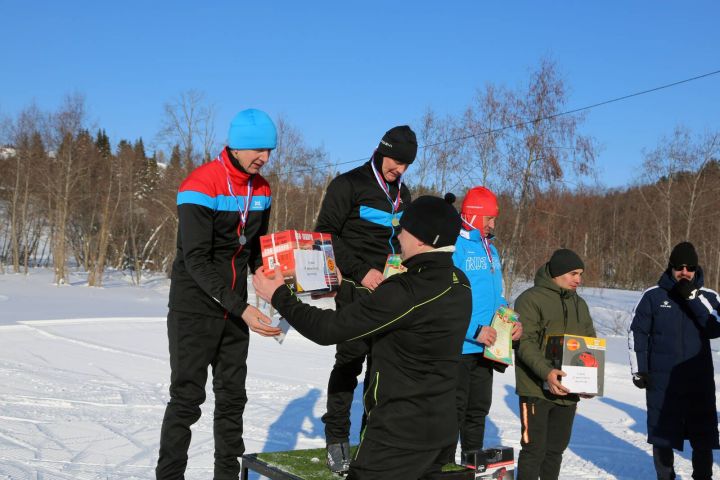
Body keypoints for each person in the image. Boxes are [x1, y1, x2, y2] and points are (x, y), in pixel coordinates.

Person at [253, 195, 471, 480]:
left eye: (403, 229)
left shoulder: (407, 289)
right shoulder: (458, 283)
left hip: (398, 438)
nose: (398, 236)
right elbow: (400, 312)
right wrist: (343, 290)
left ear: (421, 238)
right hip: (439, 430)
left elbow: (327, 329)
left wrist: (279, 295)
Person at [156, 109, 282, 480]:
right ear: (238, 146)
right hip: (195, 307)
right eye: (259, 149)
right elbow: (195, 260)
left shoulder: (261, 189)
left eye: (270, 150)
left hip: (234, 309)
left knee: (232, 401)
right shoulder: (200, 184)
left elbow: (256, 249)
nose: (265, 157)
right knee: (187, 399)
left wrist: (274, 277)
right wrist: (241, 308)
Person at [314, 125, 416, 472]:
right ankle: (337, 437)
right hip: (356, 289)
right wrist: (360, 270)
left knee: (383, 367)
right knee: (351, 360)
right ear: (381, 150)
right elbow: (324, 232)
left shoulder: (405, 195)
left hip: (391, 292)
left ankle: (371, 438)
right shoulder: (349, 184)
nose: (399, 169)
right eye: (396, 161)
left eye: (406, 164)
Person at [628, 241, 720, 480]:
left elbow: (716, 327)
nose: (684, 272)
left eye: (690, 267)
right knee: (663, 435)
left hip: (699, 382)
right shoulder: (653, 296)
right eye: (679, 266)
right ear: (670, 267)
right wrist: (640, 370)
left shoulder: (708, 296)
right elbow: (636, 332)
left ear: (696, 268)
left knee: (703, 436)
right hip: (663, 382)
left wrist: (692, 297)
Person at [513, 249, 596, 480]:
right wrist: (547, 373)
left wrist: (589, 382)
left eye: (580, 274)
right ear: (557, 273)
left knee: (555, 451)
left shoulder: (581, 305)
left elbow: (589, 346)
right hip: (535, 389)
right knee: (534, 450)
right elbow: (524, 343)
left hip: (568, 391)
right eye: (573, 274)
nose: (578, 279)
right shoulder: (530, 299)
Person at [452, 186, 522, 457]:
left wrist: (510, 320)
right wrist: (474, 331)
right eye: (489, 219)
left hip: (487, 348)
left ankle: (472, 466)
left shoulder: (490, 250)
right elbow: (447, 300)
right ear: (473, 215)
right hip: (460, 347)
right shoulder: (454, 247)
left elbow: (498, 297)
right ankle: (443, 470)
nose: (493, 224)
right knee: (452, 413)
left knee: (478, 410)